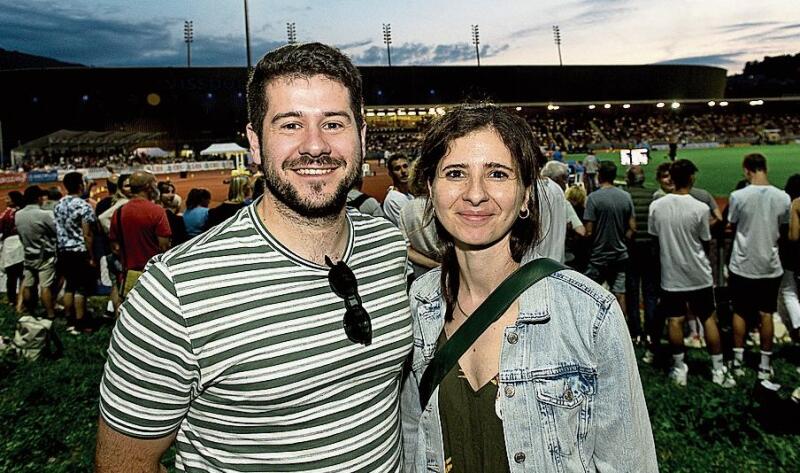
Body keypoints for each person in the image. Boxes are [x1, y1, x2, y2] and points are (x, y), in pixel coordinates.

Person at [96, 42, 411, 472]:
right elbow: (122, 465)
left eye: (334, 123)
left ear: (362, 136)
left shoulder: (389, 246)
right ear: (256, 143)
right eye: (290, 125)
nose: (315, 146)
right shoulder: (176, 291)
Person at [401, 103, 656, 472]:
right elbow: (411, 442)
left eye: (498, 174)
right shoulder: (413, 306)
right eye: (455, 173)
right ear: (431, 188)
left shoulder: (589, 313)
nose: (475, 193)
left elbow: (630, 464)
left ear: (525, 196)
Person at [648, 160, 735, 387]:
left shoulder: (657, 206)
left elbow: (654, 240)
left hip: (671, 273)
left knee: (674, 320)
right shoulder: (700, 208)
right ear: (692, 178)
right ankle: (718, 369)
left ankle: (679, 368)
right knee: (708, 318)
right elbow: (705, 242)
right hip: (698, 273)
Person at [728, 153, 791, 380]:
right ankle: (765, 364)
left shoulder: (738, 196)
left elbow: (732, 225)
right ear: (766, 168)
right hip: (770, 264)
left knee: (740, 311)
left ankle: (737, 360)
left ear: (747, 170)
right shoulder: (783, 197)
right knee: (766, 313)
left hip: (743, 263)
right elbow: (783, 229)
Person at [584, 160, 636, 326]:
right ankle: (621, 329)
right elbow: (632, 227)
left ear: (600, 175)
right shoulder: (625, 196)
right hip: (620, 254)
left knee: (589, 291)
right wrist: (621, 240)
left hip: (599, 254)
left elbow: (589, 230)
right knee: (619, 292)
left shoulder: (593, 198)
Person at [108, 171, 171, 290]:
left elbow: (114, 246)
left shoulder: (119, 212)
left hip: (129, 273)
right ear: (148, 186)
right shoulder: (157, 211)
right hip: (152, 273)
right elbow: (164, 247)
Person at [53, 171, 97, 332]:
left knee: (69, 286)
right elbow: (87, 233)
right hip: (79, 250)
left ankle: (69, 320)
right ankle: (80, 323)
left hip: (63, 250)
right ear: (80, 185)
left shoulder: (59, 204)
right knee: (81, 289)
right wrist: (91, 256)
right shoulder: (83, 206)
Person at [625, 164, 659, 346]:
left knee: (632, 290)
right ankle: (651, 331)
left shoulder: (625, 195)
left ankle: (636, 332)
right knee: (650, 291)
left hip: (631, 248)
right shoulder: (653, 195)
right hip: (650, 248)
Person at [14, 186, 57, 318]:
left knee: (28, 284)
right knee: (45, 286)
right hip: (44, 255)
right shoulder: (44, 214)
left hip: (28, 253)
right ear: (39, 198)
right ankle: (50, 313)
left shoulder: (18, 214)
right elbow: (55, 231)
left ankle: (30, 311)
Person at [779, 174, 800, 341]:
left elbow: (793, 236)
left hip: (791, 255)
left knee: (788, 292)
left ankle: (797, 328)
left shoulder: (794, 204)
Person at [0, 191, 25, 308]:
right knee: (23, 275)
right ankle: (23, 299)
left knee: (11, 275)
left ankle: (12, 300)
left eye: (8, 198)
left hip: (10, 244)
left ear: (14, 200)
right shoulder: (23, 211)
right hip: (23, 243)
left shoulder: (7, 213)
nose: (6, 200)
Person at [382, 153, 413, 226]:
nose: (403, 171)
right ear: (390, 174)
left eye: (405, 166)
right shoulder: (393, 200)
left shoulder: (410, 196)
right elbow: (409, 228)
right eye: (397, 168)